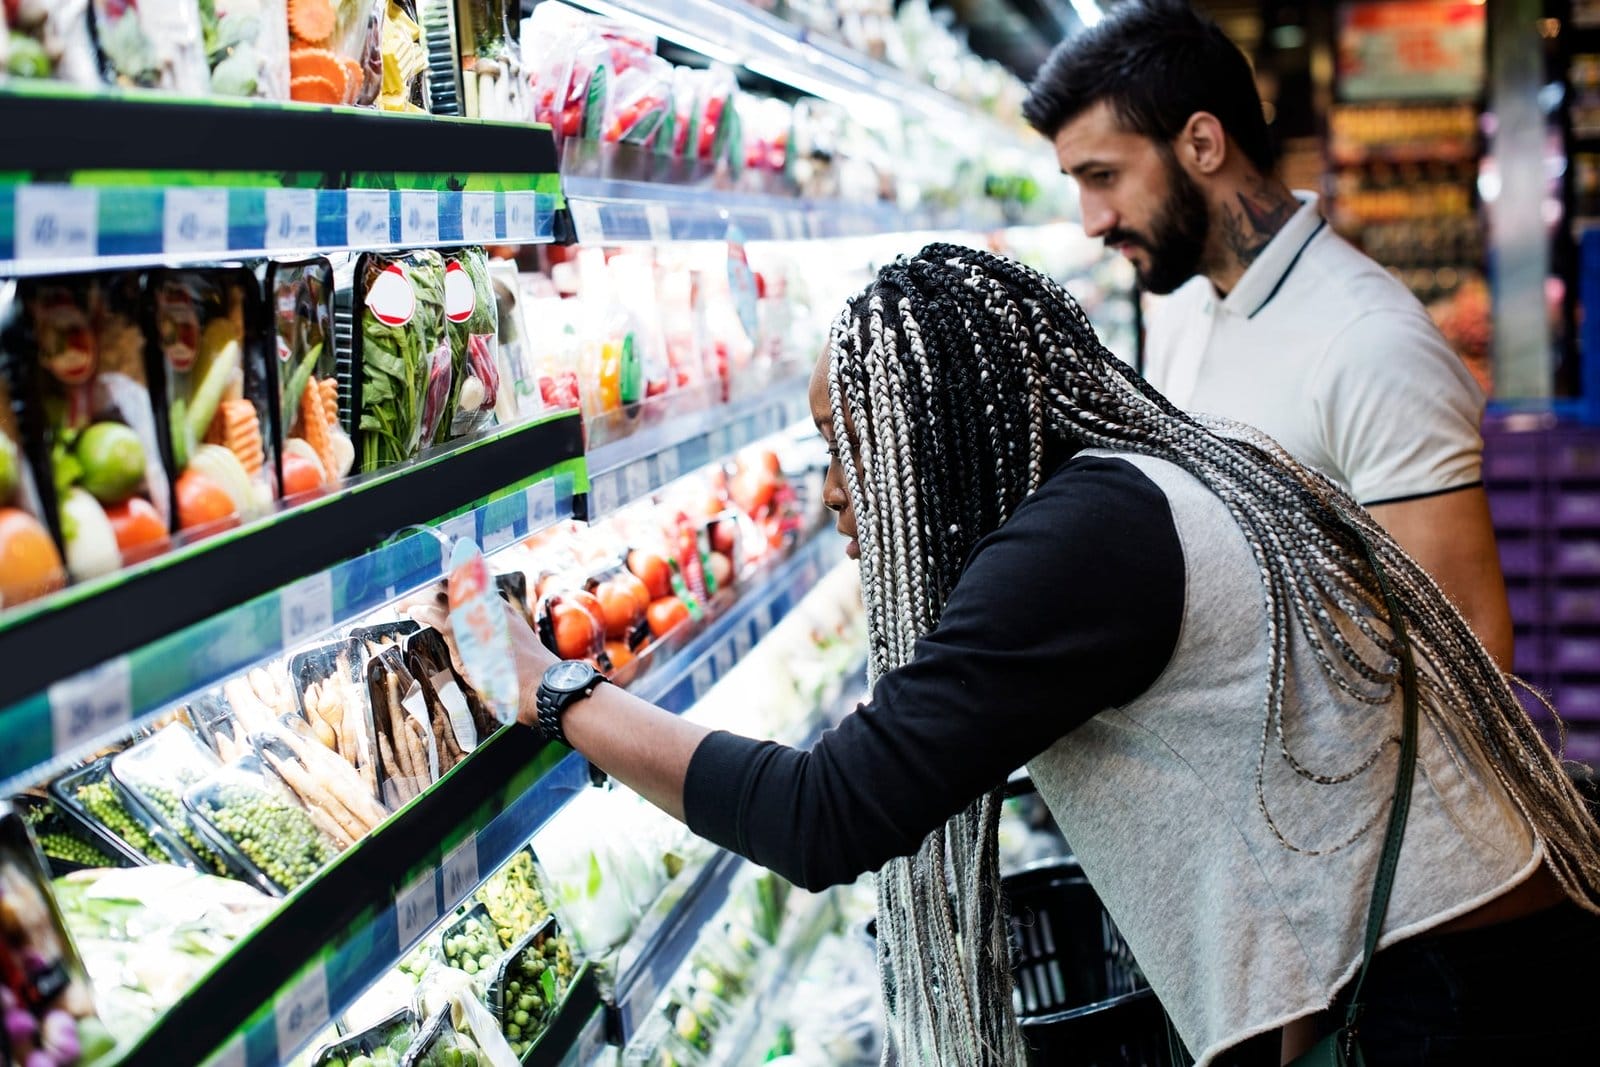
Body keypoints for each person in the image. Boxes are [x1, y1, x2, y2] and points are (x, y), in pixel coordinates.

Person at [418, 246, 1600, 1067]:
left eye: (849, 448)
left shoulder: (1085, 541)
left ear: (935, 436)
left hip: (1449, 1009)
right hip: (1485, 963)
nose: (833, 494)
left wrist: (551, 686)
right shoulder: (1154, 479)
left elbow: (830, 811)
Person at [1020, 0, 1514, 672]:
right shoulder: (1186, 307)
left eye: (1104, 176)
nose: (1092, 221)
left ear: (1202, 144)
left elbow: (1472, 653)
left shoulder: (1372, 346)